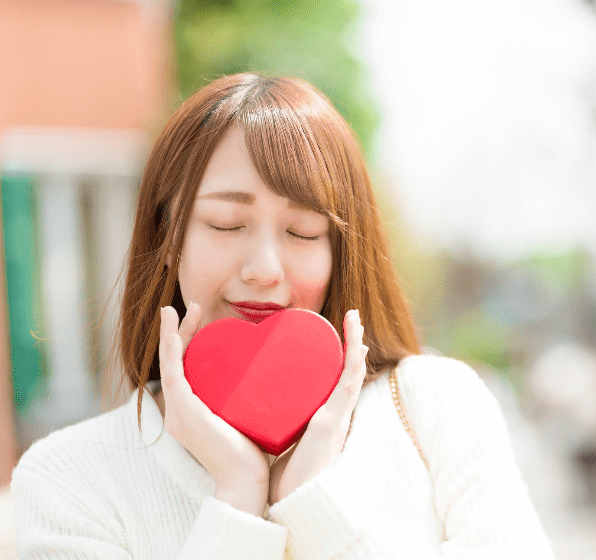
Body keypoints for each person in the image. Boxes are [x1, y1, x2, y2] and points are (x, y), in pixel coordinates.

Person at [11, 73, 556, 559]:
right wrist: (237, 502)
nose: (265, 269)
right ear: (167, 238)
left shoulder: (439, 408)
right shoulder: (70, 478)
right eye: (226, 224)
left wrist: (312, 503)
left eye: (302, 233)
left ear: (342, 250)